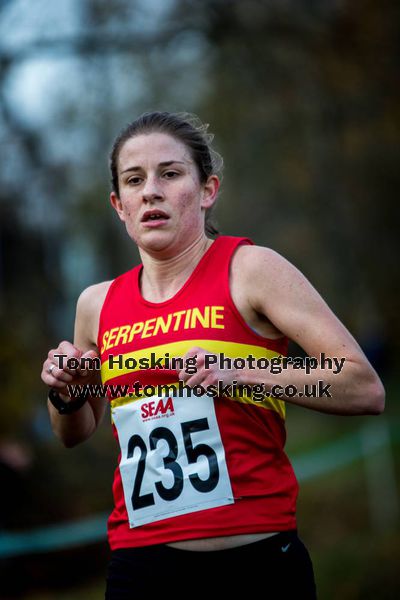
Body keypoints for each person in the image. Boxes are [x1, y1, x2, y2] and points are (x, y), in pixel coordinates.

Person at [41, 111, 385, 599]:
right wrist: (67, 395)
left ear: (208, 190)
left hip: (255, 564)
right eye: (134, 180)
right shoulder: (96, 304)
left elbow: (361, 385)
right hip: (140, 568)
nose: (151, 191)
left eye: (171, 173)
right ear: (119, 205)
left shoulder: (252, 269)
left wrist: (241, 372)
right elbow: (75, 432)